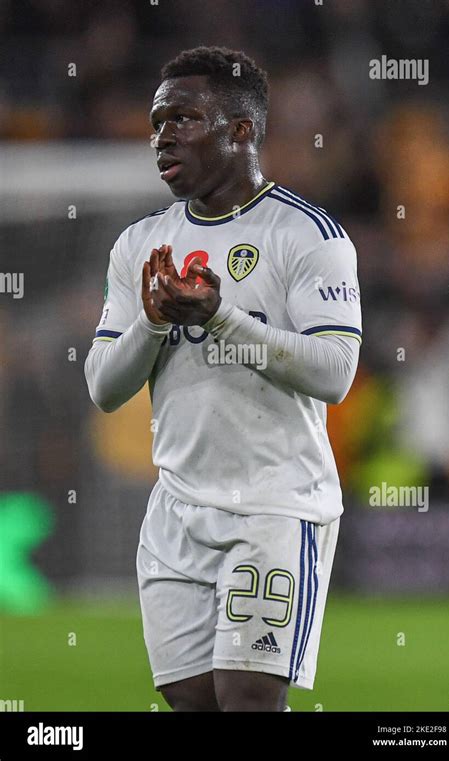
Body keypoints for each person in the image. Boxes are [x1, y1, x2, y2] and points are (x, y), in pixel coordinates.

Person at [84, 45, 362, 712]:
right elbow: (103, 385)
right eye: (158, 122)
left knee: (247, 699)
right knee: (192, 702)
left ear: (241, 132)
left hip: (274, 503)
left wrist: (220, 316)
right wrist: (151, 322)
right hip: (177, 509)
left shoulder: (308, 235)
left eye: (184, 118)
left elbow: (336, 372)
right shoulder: (138, 245)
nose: (163, 136)